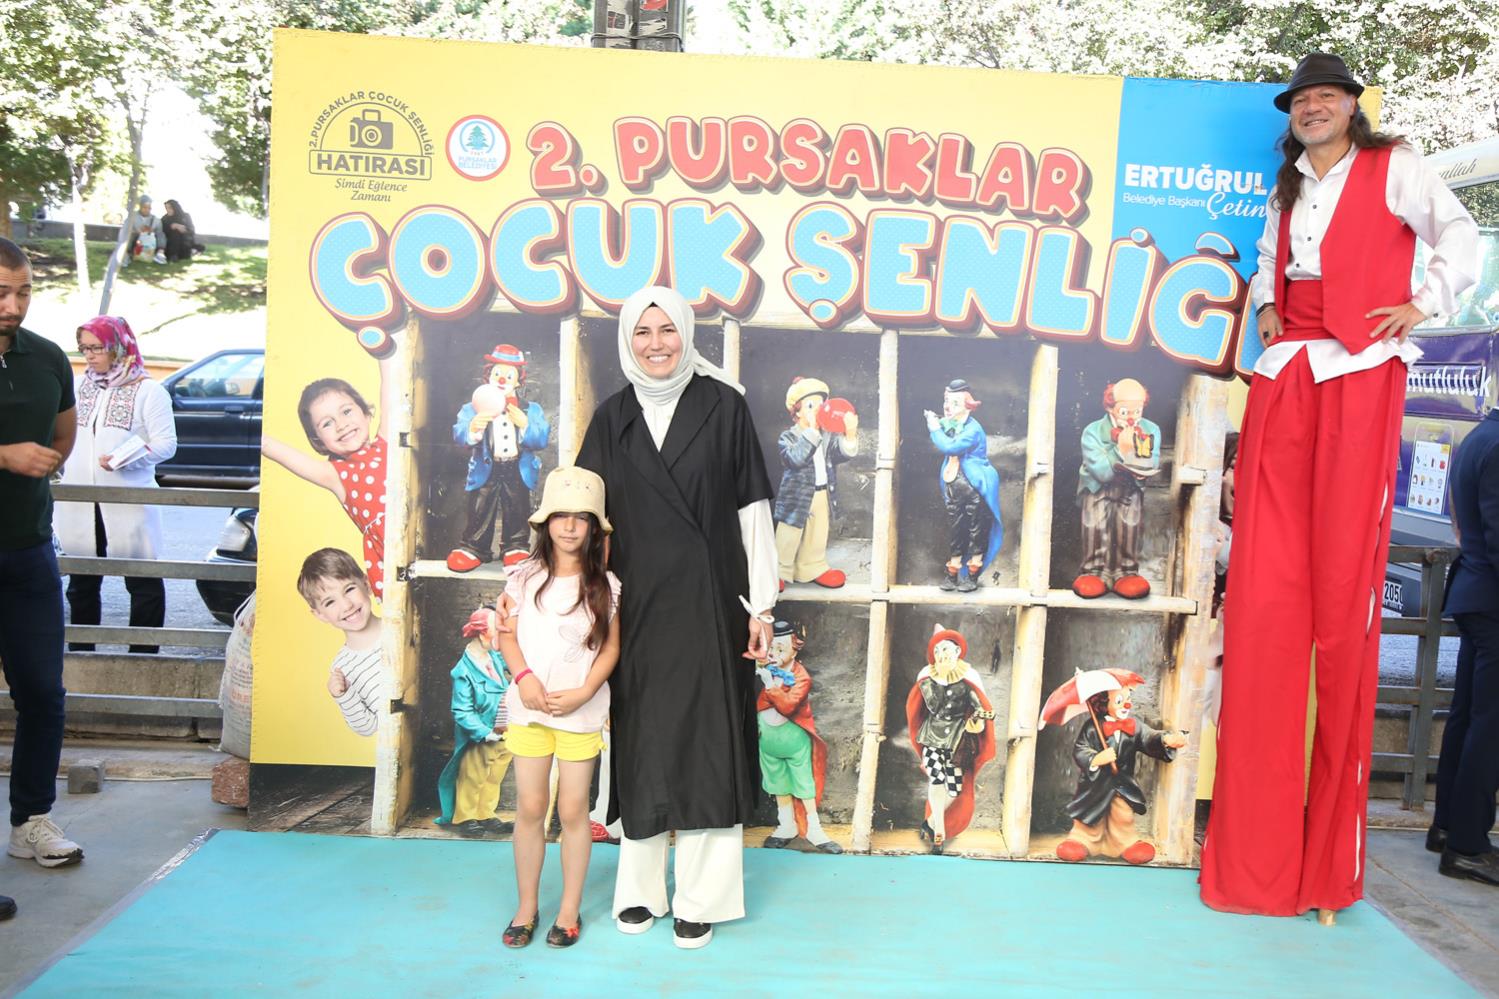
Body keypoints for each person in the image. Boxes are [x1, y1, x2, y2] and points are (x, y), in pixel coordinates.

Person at [1201, 53, 1480, 921]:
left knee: (1340, 601)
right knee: (1266, 596)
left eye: (1325, 97)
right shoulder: (1288, 186)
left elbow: (1459, 237)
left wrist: (1423, 304)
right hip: (1291, 367)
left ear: (1351, 106)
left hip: (1360, 368)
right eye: (1301, 100)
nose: (1311, 108)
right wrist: (1267, 306)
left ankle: (1323, 866)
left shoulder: (1392, 165)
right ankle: (1254, 860)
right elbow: (1267, 261)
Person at [576, 284, 777, 950]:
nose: (656, 343)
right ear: (626, 340)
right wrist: (577, 601)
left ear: (687, 334)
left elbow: (752, 509)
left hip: (711, 601)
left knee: (707, 744)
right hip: (634, 607)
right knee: (641, 742)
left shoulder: (724, 405)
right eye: (643, 331)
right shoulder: (611, 417)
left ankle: (701, 899)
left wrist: (761, 604)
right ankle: (638, 891)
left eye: (667, 330)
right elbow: (585, 519)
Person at [494, 466, 619, 949]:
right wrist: (524, 678)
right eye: (560, 515)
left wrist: (586, 691)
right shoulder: (522, 578)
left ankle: (569, 909)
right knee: (530, 806)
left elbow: (611, 649)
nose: (569, 526)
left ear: (594, 527)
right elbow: (507, 637)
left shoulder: (606, 586)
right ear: (545, 522)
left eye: (581, 517)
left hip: (579, 717)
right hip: (530, 713)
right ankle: (526, 906)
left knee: (572, 809)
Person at [0, 236, 84, 881]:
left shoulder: (48, 356)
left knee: (43, 694)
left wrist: (41, 461)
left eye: (24, 291)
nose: (13, 304)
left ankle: (31, 820)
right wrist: (4, 454)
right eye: (2, 292)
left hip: (28, 553)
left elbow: (62, 432)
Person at [55, 316, 178, 654]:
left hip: (128, 501)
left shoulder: (149, 391)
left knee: (141, 579)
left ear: (119, 347)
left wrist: (127, 458)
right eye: (84, 348)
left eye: (97, 347)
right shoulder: (79, 386)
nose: (90, 355)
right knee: (81, 581)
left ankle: (144, 656)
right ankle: (82, 654)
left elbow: (166, 444)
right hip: (80, 499)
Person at [262, 343, 398, 601]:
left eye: (346, 411)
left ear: (366, 413)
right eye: (327, 423)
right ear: (319, 440)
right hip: (393, 558)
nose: (341, 425)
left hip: (422, 533)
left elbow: (390, 382)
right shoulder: (335, 475)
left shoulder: (388, 440)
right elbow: (272, 448)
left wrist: (381, 339)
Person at [1431, 406, 1499, 887]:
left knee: (1468, 718)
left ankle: (1447, 826)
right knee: (1488, 726)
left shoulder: (1481, 436)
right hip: (1492, 599)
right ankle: (1468, 846)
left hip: (1477, 593)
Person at [446, 344, 550, 573]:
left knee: (517, 507)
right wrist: (473, 428)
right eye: (497, 374)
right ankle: (474, 547)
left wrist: (525, 424)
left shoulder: (531, 409)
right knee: (480, 506)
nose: (502, 380)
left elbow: (541, 439)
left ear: (518, 381)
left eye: (509, 376)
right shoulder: (472, 408)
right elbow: (459, 434)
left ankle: (516, 546)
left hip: (517, 467)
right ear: (488, 377)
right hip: (486, 468)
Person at [905, 625, 996, 853]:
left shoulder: (969, 678)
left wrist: (978, 721)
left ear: (957, 652)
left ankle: (931, 823)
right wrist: (941, 677)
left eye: (946, 649)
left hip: (957, 742)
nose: (941, 654)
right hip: (932, 737)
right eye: (937, 650)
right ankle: (939, 833)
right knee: (936, 779)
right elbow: (934, 706)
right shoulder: (927, 677)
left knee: (954, 790)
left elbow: (980, 706)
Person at [1072, 378, 1161, 600]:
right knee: (1094, 525)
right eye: (1124, 411)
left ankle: (1127, 573)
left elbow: (1151, 460)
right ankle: (1093, 572)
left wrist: (1142, 467)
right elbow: (1101, 471)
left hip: (1130, 488)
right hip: (1097, 489)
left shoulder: (1150, 429)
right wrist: (1121, 449)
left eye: (1137, 411)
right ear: (1110, 406)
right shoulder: (1093, 431)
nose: (1131, 417)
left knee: (1129, 526)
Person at [433, 606, 513, 838]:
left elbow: (513, 663)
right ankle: (466, 817)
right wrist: (485, 732)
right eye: (496, 630)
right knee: (473, 777)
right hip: (482, 735)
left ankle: (485, 813)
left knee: (494, 777)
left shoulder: (494, 657)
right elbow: (462, 710)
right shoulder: (463, 671)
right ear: (481, 633)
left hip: (504, 727)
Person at [774, 376, 856, 589]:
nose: (817, 411)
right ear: (797, 411)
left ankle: (812, 567)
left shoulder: (826, 436)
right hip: (796, 496)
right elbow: (795, 459)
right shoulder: (788, 437)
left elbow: (840, 454)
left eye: (821, 405)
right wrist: (811, 431)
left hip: (821, 492)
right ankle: (777, 571)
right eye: (811, 406)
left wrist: (849, 433)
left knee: (817, 533)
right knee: (789, 533)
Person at [924, 379, 1002, 591]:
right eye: (946, 401)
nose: (948, 407)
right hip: (954, 487)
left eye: (955, 403)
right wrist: (938, 423)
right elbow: (946, 429)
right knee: (956, 530)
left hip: (974, 487)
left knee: (977, 530)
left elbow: (951, 447)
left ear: (968, 406)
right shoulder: (950, 424)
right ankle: (953, 573)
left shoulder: (973, 430)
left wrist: (934, 428)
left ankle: (972, 576)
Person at [297, 548, 383, 737]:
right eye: (330, 602)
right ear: (320, 615)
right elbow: (368, 727)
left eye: (349, 589)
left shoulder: (400, 626)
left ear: (366, 584)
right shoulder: (343, 668)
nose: (346, 605)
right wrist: (344, 696)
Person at [121, 197, 164, 267]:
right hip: (135, 241)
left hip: (149, 242)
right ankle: (125, 255)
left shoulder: (155, 219)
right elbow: (124, 229)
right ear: (140, 206)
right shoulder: (132, 217)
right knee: (128, 235)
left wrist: (150, 231)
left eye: (149, 208)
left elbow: (159, 232)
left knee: (161, 234)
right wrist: (137, 231)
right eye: (145, 207)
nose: (147, 210)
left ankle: (160, 254)